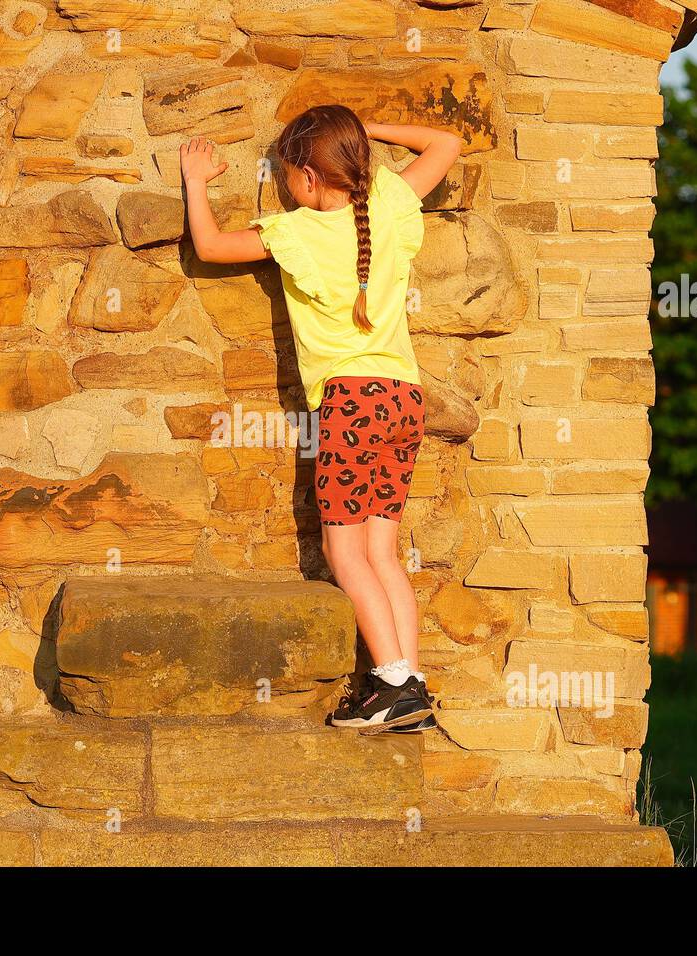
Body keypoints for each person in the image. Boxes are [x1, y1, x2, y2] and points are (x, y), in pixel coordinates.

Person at [181, 105, 462, 733]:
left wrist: (196, 180)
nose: (283, 187)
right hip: (402, 397)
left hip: (350, 403)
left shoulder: (297, 231)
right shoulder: (388, 200)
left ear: (309, 177)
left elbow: (209, 246)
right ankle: (408, 684)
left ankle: (390, 679)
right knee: (382, 550)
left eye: (287, 175)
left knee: (345, 551)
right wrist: (371, 135)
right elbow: (446, 142)